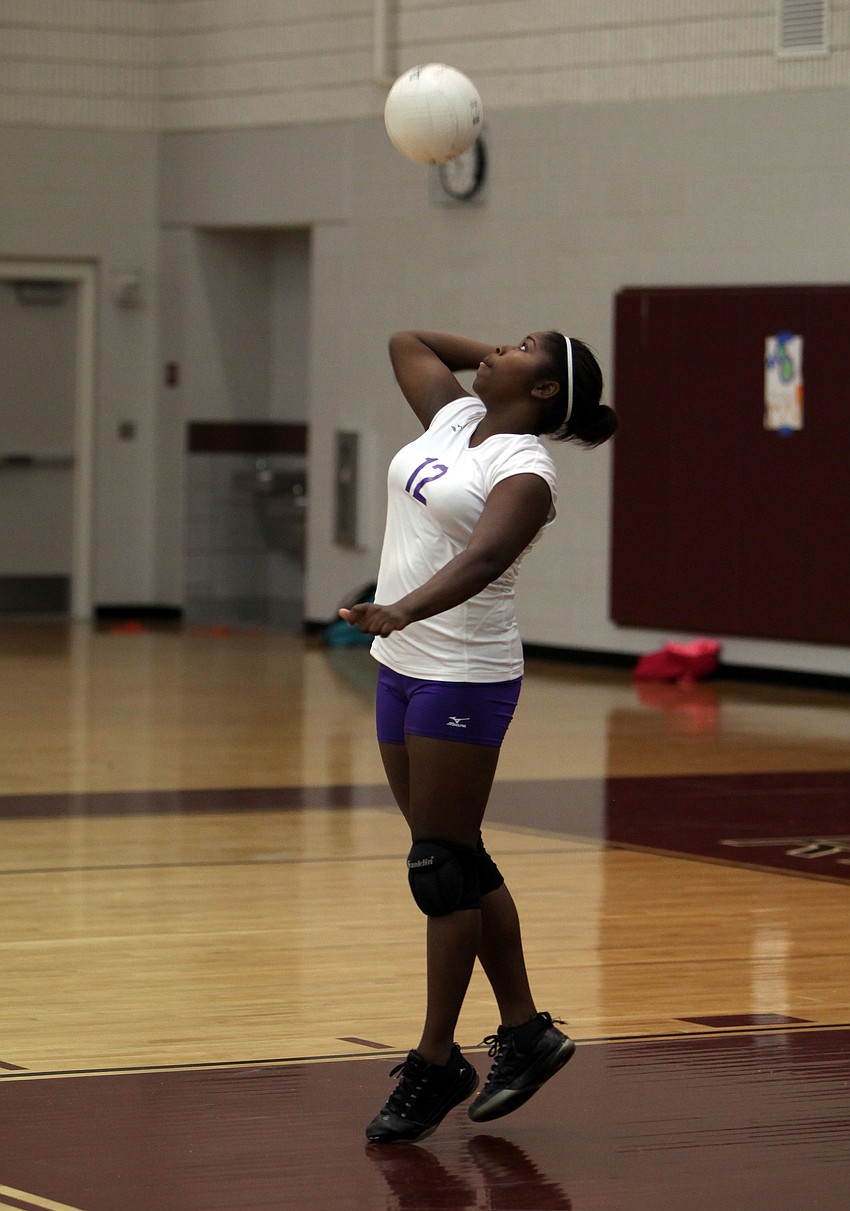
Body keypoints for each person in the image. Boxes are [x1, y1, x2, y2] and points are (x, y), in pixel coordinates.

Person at [340, 329, 618, 1144]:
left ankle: (436, 1060)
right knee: (455, 854)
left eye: (522, 347)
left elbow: (485, 557)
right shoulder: (457, 418)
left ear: (542, 394)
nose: (496, 346)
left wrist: (401, 607)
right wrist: (513, 360)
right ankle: (527, 1030)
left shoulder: (525, 468)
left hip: (462, 671)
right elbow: (407, 339)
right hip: (401, 664)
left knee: (439, 868)